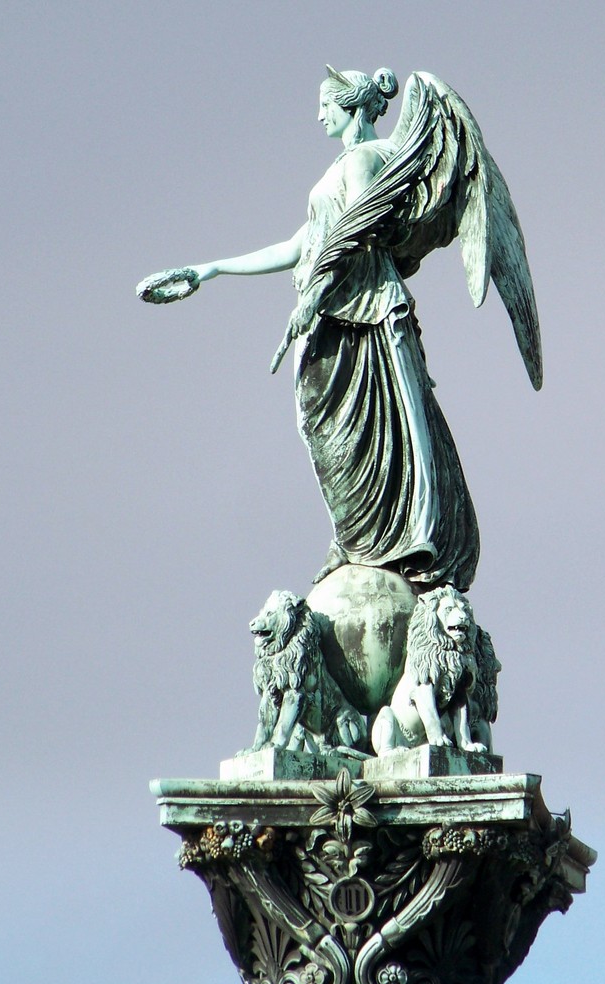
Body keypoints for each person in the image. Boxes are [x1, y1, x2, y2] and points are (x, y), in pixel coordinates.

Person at [139, 67, 542, 591]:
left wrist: (315, 294)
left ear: (353, 105)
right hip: (337, 311)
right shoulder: (338, 169)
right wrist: (212, 268)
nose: (318, 113)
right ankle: (356, 535)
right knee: (322, 419)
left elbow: (355, 230)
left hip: (371, 308)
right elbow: (297, 246)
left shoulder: (364, 162)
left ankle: (411, 533)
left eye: (327, 103)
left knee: (395, 422)